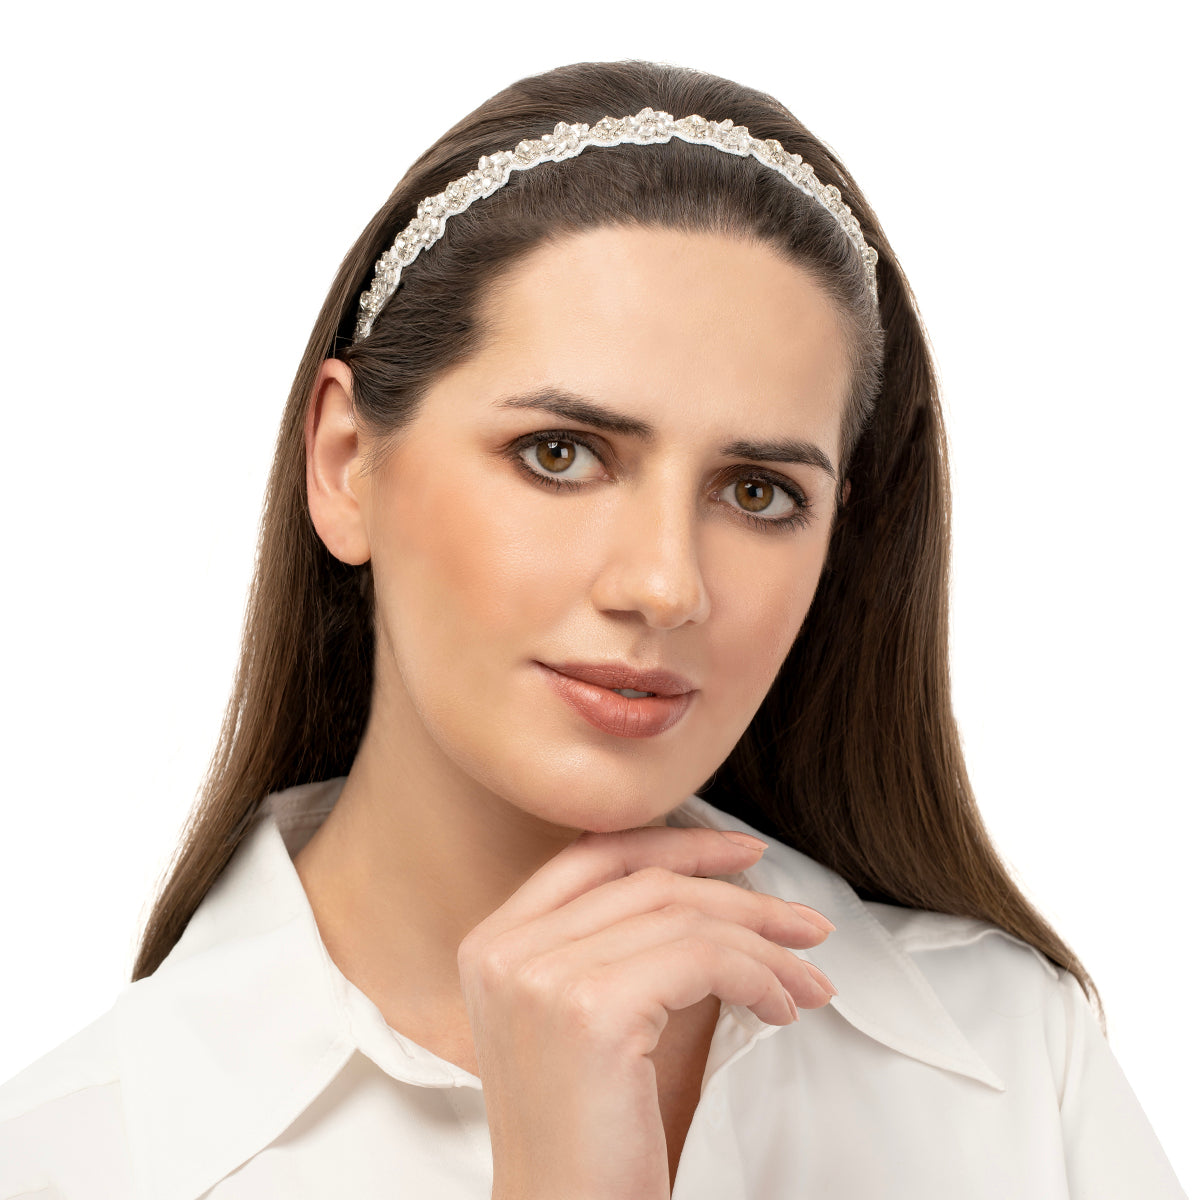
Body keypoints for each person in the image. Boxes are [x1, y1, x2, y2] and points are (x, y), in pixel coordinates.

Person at [0, 58, 1185, 1200]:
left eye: (758, 491)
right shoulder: (74, 1166)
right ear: (347, 463)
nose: (666, 585)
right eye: (559, 454)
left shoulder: (1020, 1066)